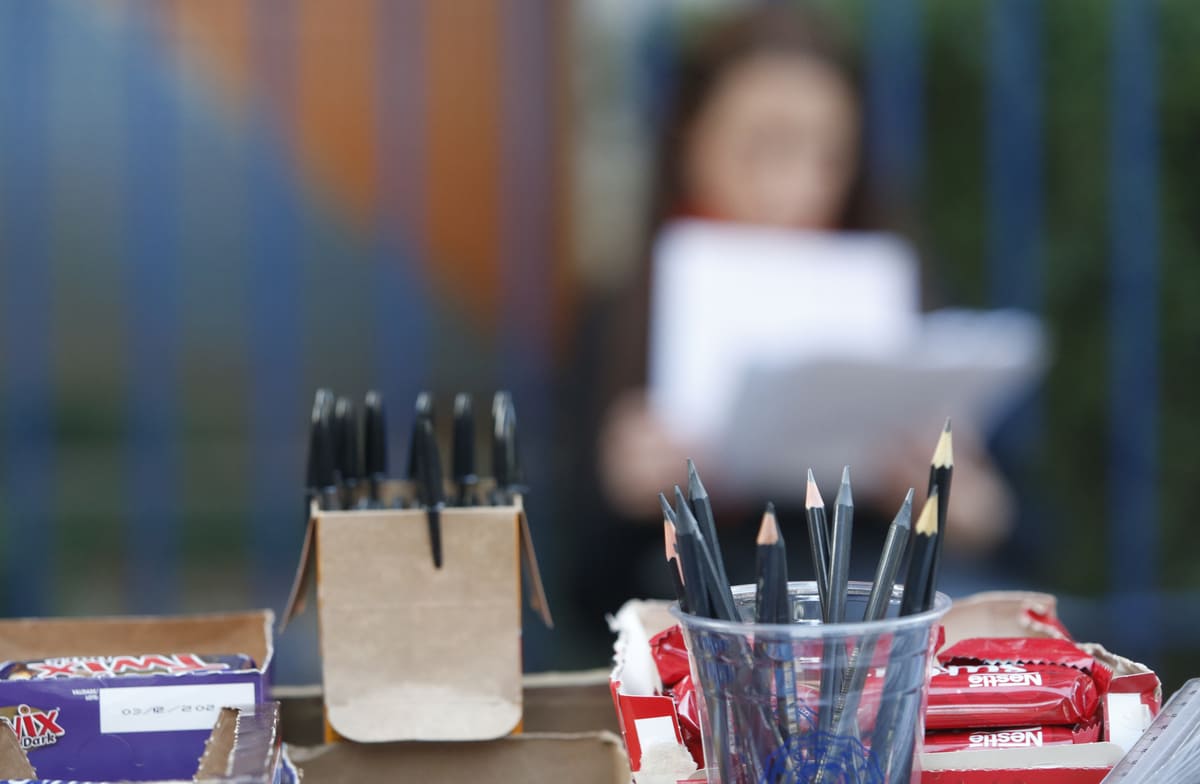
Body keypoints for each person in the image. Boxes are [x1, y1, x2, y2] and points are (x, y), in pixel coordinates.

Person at [561, 5, 1014, 657]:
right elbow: (581, 593)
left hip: (886, 642)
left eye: (827, 154)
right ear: (690, 138)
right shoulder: (623, 316)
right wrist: (627, 494)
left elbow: (1020, 530)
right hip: (714, 654)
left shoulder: (905, 292)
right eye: (762, 145)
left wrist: (967, 503)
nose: (793, 183)